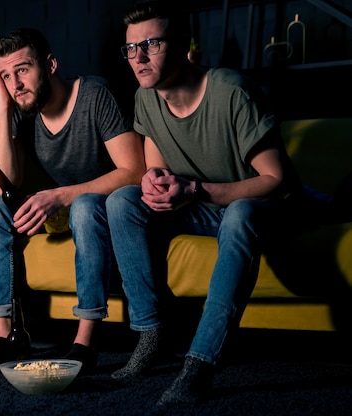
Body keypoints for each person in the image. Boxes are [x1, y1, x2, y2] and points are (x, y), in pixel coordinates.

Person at [106, 1, 311, 405]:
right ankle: (151, 332)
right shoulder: (145, 98)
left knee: (241, 213)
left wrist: (195, 190)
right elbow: (157, 173)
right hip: (204, 211)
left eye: (151, 44)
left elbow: (277, 181)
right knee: (122, 201)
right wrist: (153, 185)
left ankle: (199, 364)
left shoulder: (232, 91)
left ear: (183, 45)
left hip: (268, 210)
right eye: (131, 48)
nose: (139, 57)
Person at [0, 28, 146, 374]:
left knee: (83, 205)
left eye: (22, 69)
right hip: (57, 207)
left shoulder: (94, 94)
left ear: (49, 64)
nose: (15, 83)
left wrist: (62, 195)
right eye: (6, 75)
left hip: (106, 207)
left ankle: (86, 340)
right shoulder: (20, 107)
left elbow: (134, 170)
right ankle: (6, 337)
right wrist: (3, 111)